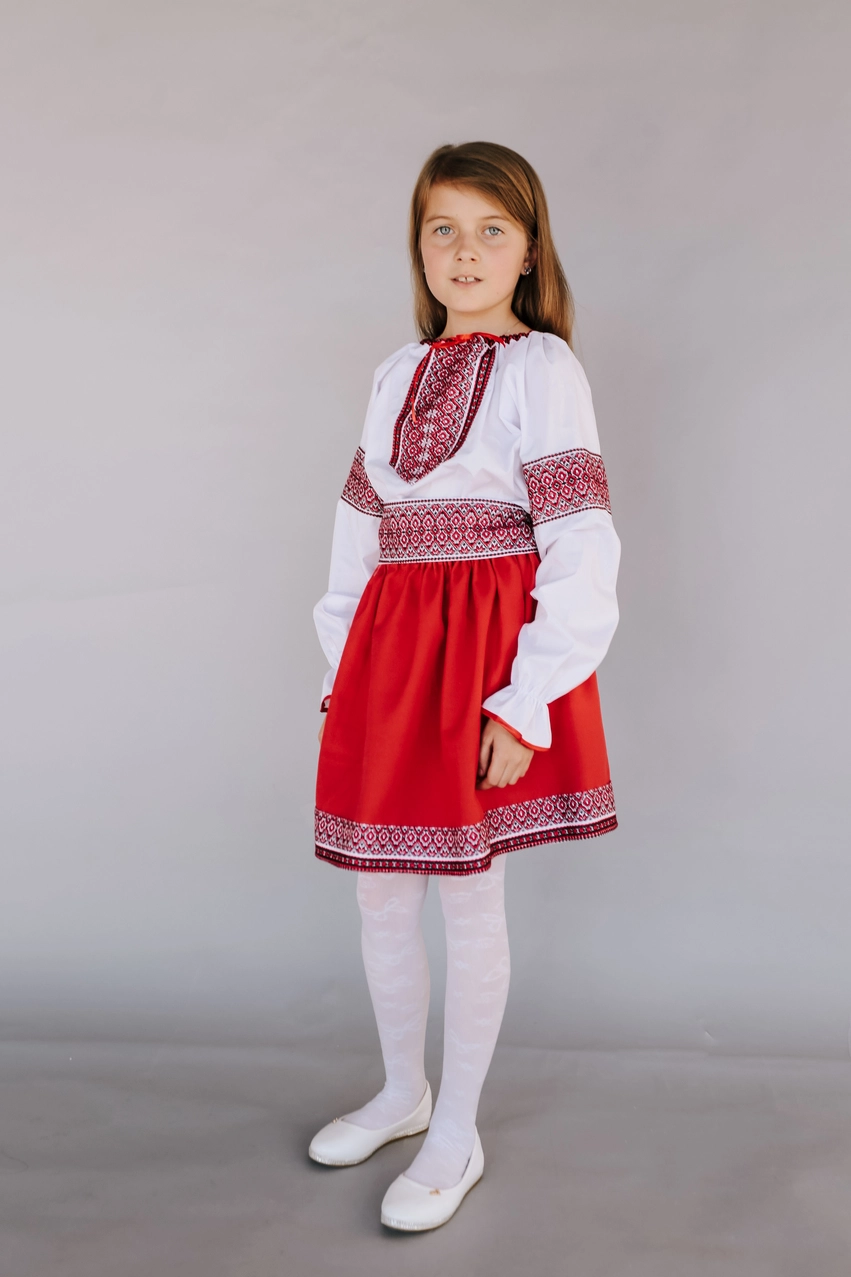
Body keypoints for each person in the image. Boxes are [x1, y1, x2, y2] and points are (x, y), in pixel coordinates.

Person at [308, 141, 621, 1232]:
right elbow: (356, 534)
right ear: (418, 246)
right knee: (379, 887)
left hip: (482, 653)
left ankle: (457, 1127)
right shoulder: (394, 372)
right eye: (442, 228)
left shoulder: (543, 369)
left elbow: (580, 540)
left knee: (466, 887)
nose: (465, 251)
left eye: (491, 230)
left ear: (529, 250)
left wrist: (522, 700)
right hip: (390, 652)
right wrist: (341, 667)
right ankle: (403, 1089)